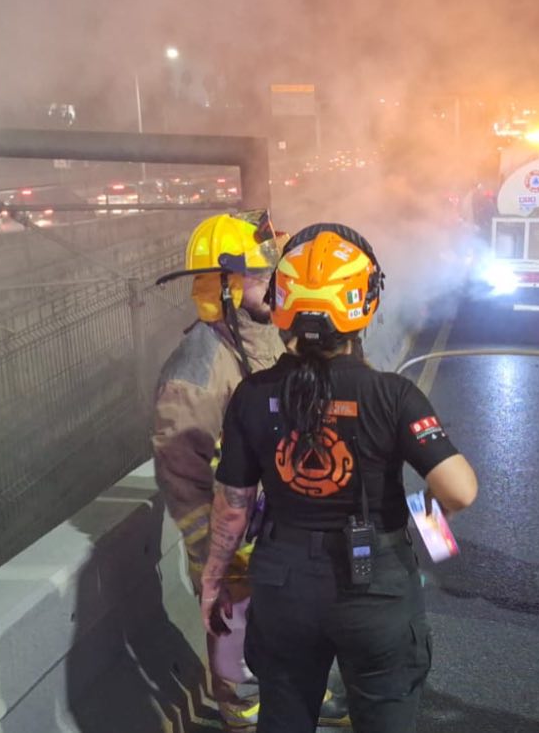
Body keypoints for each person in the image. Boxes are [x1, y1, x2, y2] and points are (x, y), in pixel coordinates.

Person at [200, 222, 478, 732]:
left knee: (283, 714)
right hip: (374, 586)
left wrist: (215, 579)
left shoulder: (252, 394)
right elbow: (458, 489)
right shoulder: (392, 396)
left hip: (282, 584)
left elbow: (233, 505)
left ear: (283, 307)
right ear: (364, 306)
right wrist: (429, 525)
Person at [151, 211, 348, 731]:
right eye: (262, 277)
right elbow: (183, 476)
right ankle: (243, 718)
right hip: (235, 545)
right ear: (225, 288)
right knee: (235, 640)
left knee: (290, 628)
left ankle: (309, 691)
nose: (275, 287)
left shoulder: (262, 340)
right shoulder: (195, 372)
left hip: (278, 534)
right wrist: (218, 556)